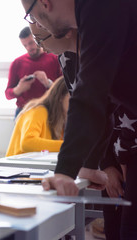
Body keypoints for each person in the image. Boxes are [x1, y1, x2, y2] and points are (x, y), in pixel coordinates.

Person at [20, 0, 137, 238]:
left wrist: (64, 171)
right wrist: (89, 164)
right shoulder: (93, 20)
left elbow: (89, 97)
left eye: (31, 16)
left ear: (44, 3)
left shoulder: (100, 7)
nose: (37, 24)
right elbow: (103, 106)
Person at [5, 26, 62, 117]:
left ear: (37, 39)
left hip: (49, 110)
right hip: (24, 111)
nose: (28, 47)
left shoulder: (55, 59)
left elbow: (63, 90)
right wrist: (19, 89)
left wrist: (47, 83)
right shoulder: (17, 63)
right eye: (25, 45)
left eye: (31, 43)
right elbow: (7, 94)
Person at [6, 76, 69, 156]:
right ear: (61, 97)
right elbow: (27, 143)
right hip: (17, 165)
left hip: (35, 164)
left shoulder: (61, 119)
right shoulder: (38, 111)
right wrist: (68, 146)